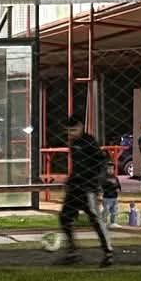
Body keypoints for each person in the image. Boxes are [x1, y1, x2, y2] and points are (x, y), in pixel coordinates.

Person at [55, 111, 112, 265]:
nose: (71, 134)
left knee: (95, 218)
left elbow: (102, 162)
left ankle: (108, 252)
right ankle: (73, 251)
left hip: (88, 187)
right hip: (75, 186)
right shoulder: (73, 144)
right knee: (65, 217)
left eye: (73, 130)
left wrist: (96, 184)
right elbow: (77, 166)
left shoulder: (89, 142)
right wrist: (70, 181)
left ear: (81, 127)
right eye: (68, 131)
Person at [101, 158, 121, 230]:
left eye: (112, 169)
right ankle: (103, 222)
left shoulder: (115, 178)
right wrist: (111, 187)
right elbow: (103, 187)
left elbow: (118, 185)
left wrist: (118, 189)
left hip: (114, 197)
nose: (111, 170)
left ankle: (113, 222)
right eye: (109, 169)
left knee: (114, 210)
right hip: (107, 198)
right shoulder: (104, 178)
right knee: (106, 210)